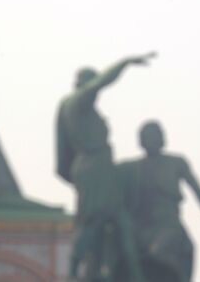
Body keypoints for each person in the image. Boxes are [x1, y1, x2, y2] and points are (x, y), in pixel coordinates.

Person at [56, 53, 155, 282]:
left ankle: (133, 273)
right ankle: (74, 269)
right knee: (94, 222)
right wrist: (126, 62)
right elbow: (101, 82)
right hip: (94, 170)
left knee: (120, 222)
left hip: (99, 169)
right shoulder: (78, 101)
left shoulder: (72, 106)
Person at [118, 121, 200, 282]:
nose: (153, 140)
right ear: (141, 141)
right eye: (148, 137)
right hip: (141, 227)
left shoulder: (176, 163)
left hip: (170, 225)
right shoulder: (130, 169)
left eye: (156, 135)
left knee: (186, 248)